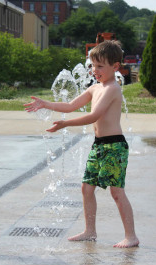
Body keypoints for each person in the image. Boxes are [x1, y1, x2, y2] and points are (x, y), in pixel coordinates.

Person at [24, 40, 139, 248]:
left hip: (114, 146)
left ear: (115, 67)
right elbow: (70, 105)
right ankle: (90, 231)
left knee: (116, 191)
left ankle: (131, 236)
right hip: (99, 145)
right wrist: (45, 103)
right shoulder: (95, 88)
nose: (95, 70)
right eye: (93, 66)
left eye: (100, 66)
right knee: (86, 188)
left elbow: (94, 115)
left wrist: (64, 125)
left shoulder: (113, 89)